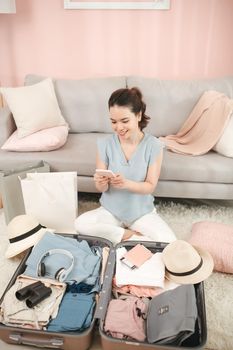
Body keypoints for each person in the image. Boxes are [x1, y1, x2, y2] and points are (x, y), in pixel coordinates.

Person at [75, 87, 176, 245]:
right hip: (111, 211)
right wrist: (100, 183)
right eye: (113, 122)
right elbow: (101, 188)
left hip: (141, 213)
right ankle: (130, 236)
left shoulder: (154, 146)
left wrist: (126, 183)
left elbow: (150, 186)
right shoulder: (105, 144)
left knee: (169, 241)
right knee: (80, 224)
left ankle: (118, 237)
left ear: (138, 115)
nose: (119, 128)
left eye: (124, 121)